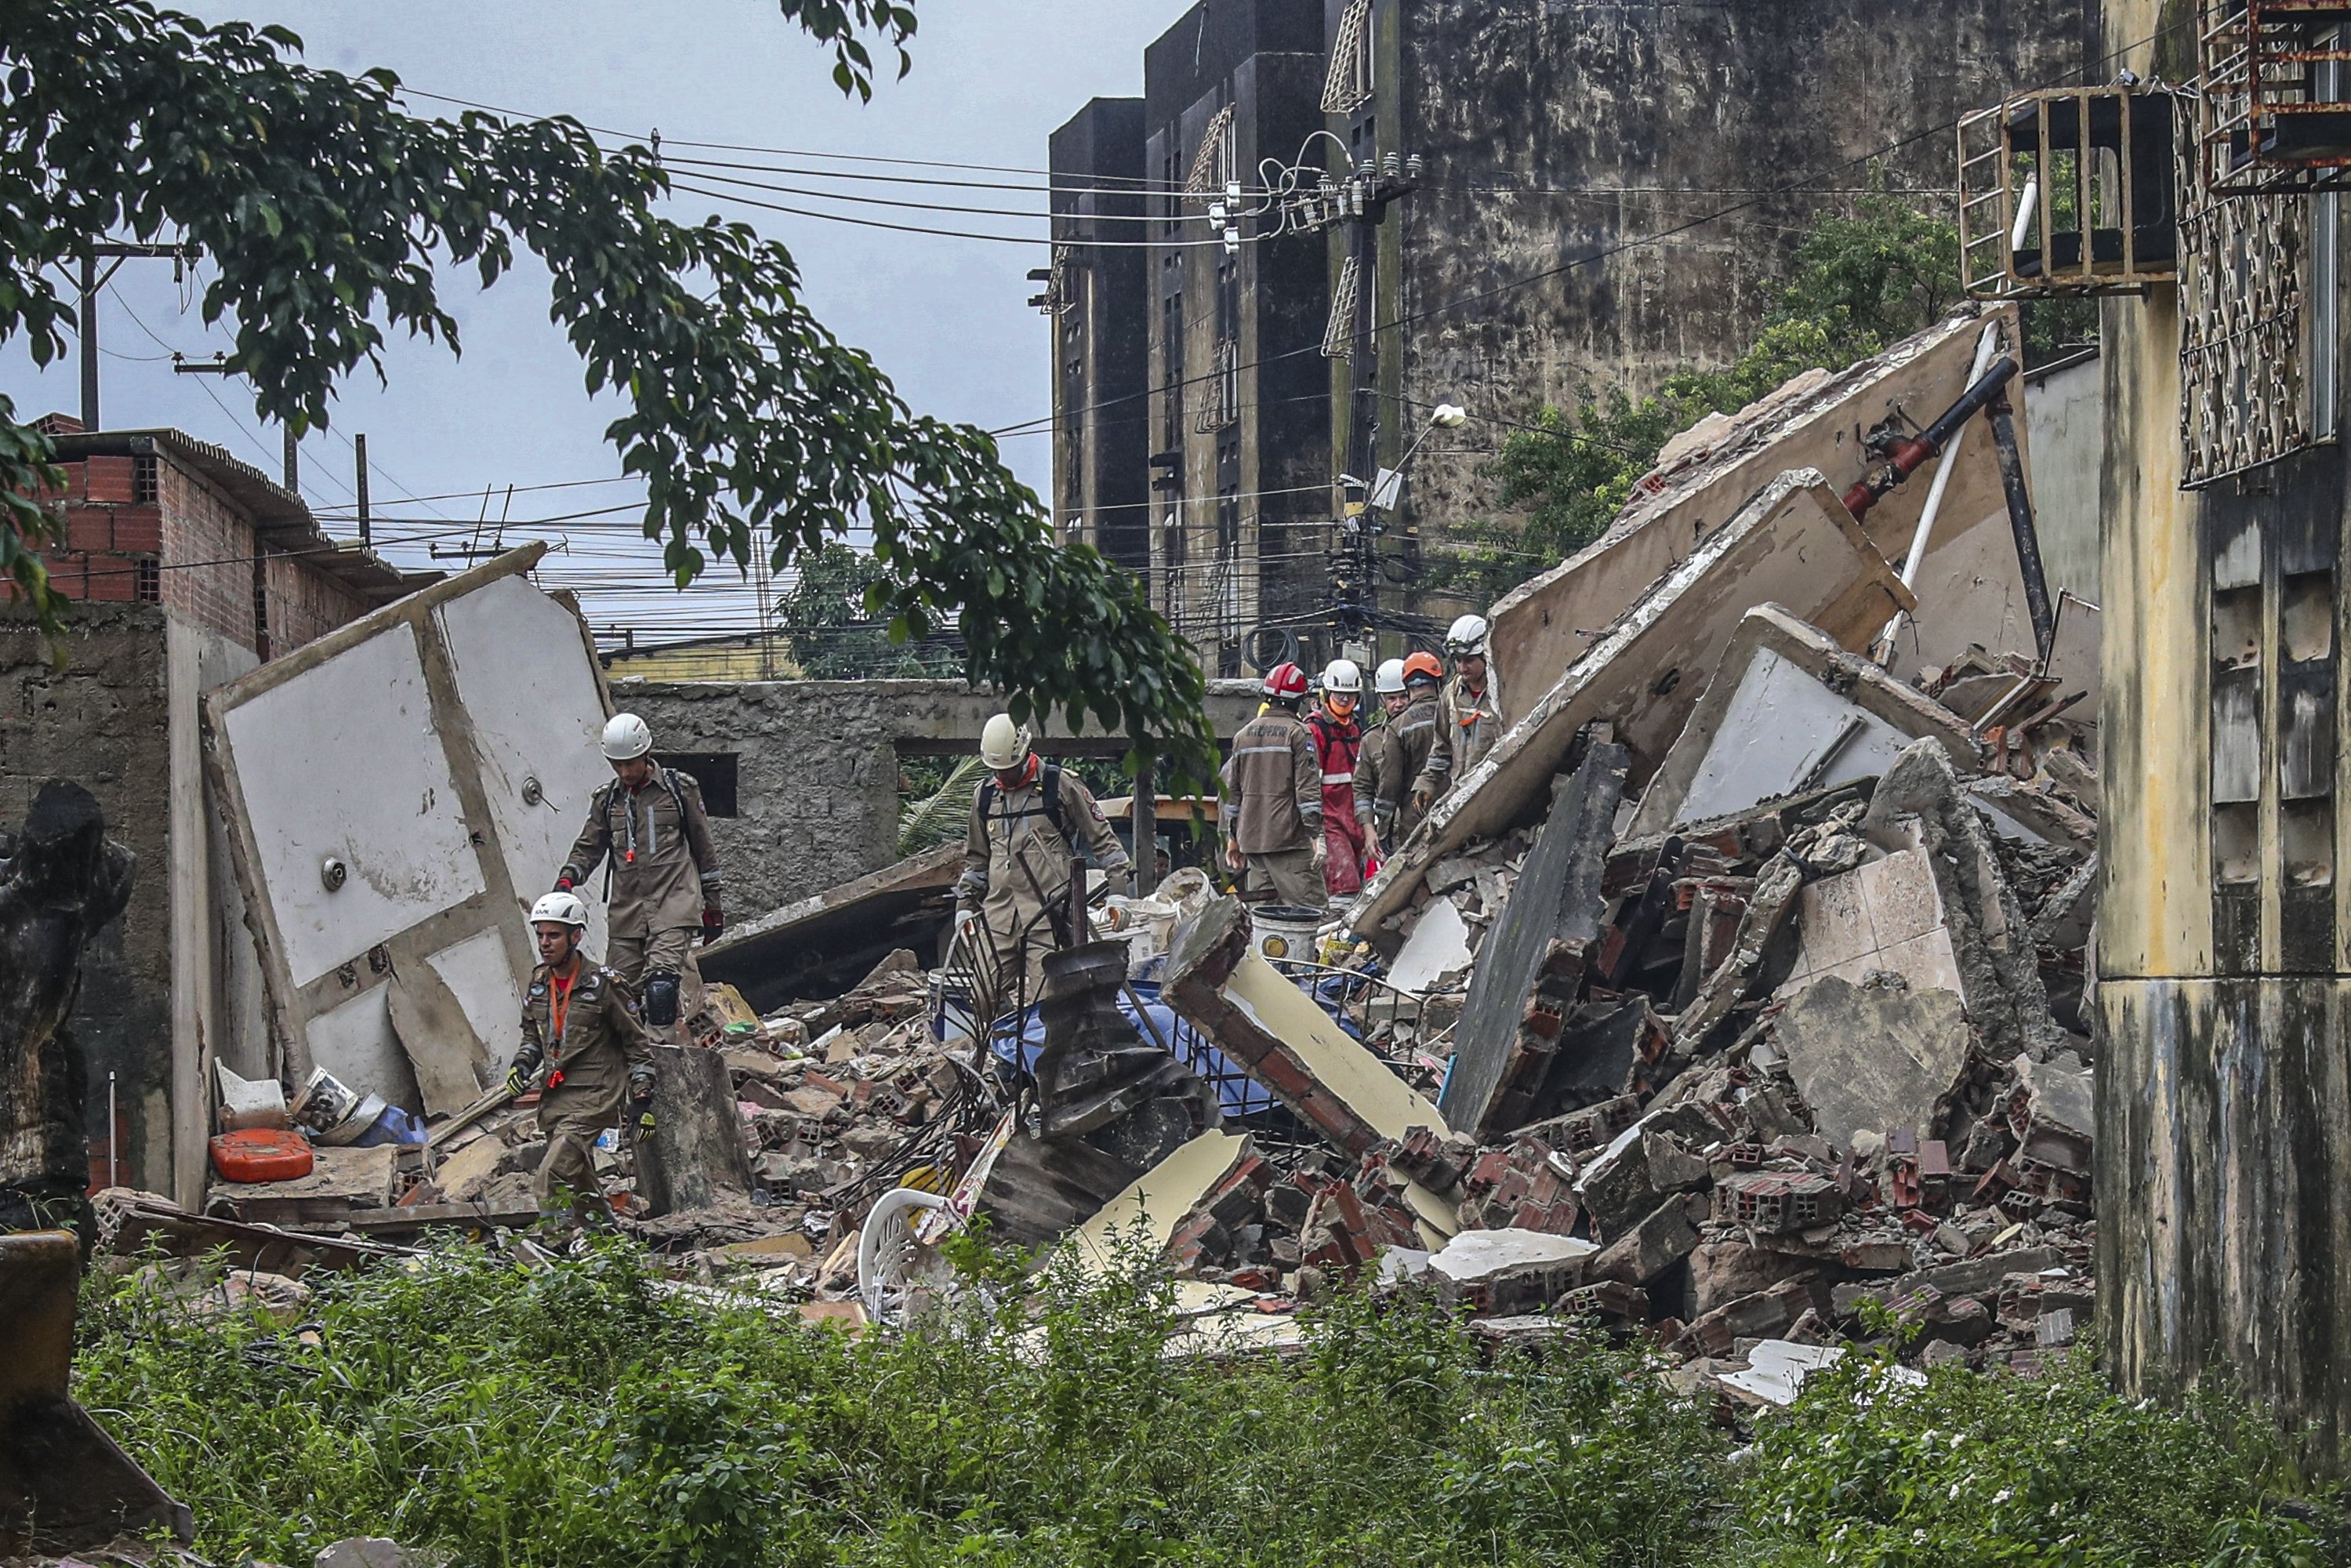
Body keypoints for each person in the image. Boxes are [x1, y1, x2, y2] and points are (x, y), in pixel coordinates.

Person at [954, 713, 1133, 1021]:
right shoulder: (984, 797)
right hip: (1000, 914)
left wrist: (1117, 892)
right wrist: (965, 903)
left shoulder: (1059, 786)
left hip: (1048, 915)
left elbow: (1104, 842)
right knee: (982, 992)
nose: (1003, 776)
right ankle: (1008, 1044)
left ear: (1024, 753)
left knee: (1045, 1006)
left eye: (1009, 769)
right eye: (997, 770)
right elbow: (977, 859)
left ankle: (1038, 1063)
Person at [556, 713, 724, 1037]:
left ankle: (661, 1065)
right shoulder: (608, 801)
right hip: (627, 913)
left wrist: (713, 904)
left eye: (630, 764)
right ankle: (629, 1073)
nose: (624, 772)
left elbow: (704, 849)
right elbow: (589, 846)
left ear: (645, 754)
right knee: (617, 996)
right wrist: (567, 880)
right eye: (616, 765)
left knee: (661, 987)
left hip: (674, 904)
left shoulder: (679, 790)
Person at [505, 890, 657, 1221]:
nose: (545, 943)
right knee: (579, 1181)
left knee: (551, 1177)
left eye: (554, 935)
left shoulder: (605, 984)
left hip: (595, 1097)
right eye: (541, 935)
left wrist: (643, 1102)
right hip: (556, 1097)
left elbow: (637, 1043)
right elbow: (534, 1036)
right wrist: (521, 1065)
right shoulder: (539, 982)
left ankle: (556, 1254)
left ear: (575, 936)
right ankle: (608, 1244)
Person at [1221, 661, 1326, 909]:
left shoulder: (1243, 736)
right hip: (1289, 846)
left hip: (1254, 848)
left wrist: (1233, 839)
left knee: (1265, 923)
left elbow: (1232, 795)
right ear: (1298, 700)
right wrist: (1317, 835)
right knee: (1313, 916)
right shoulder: (1299, 733)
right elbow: (1308, 793)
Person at [1413, 615, 1504, 818]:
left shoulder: (1505, 694)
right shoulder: (1451, 696)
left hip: (1495, 798)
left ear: (1486, 655)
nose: (1462, 668)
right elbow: (1441, 747)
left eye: (1470, 660)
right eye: (1458, 661)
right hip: (1459, 797)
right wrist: (1427, 783)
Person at [1356, 652, 1442, 857]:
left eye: (1403, 696)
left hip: (1413, 826)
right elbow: (1362, 788)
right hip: (1399, 831)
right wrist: (1371, 830)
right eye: (1391, 698)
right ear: (1381, 700)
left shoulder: (1406, 726)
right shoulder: (1371, 740)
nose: (1399, 704)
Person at [1306, 657, 1369, 896]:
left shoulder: (1354, 729)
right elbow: (1309, 783)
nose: (1345, 700)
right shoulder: (1316, 730)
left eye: (1350, 696)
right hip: (1330, 818)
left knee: (1361, 881)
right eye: (1339, 695)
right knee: (1345, 885)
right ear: (1326, 694)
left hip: (1354, 818)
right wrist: (1316, 832)